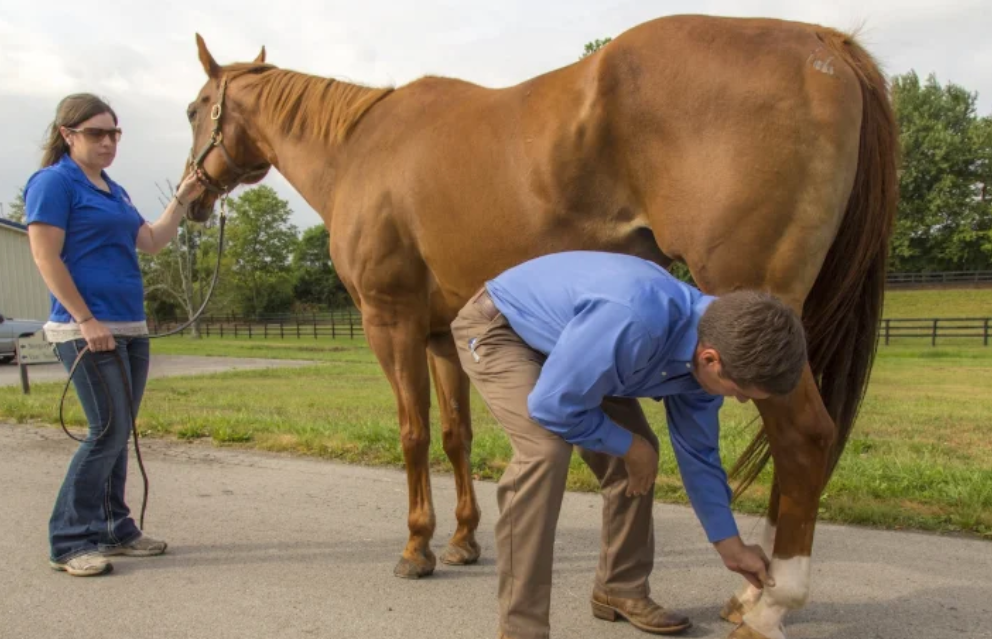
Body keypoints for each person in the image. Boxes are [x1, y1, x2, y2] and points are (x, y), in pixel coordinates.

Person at [450, 251, 808, 639]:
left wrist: (730, 545)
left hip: (583, 345)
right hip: (504, 330)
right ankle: (522, 630)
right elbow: (553, 405)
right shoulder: (636, 320)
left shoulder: (712, 350)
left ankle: (619, 588)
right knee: (546, 451)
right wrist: (630, 446)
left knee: (637, 453)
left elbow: (700, 455)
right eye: (738, 392)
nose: (737, 400)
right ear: (710, 358)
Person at [24, 93, 205, 577]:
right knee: (106, 430)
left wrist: (182, 199)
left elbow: (151, 241)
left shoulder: (112, 189)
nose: (108, 142)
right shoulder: (53, 183)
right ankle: (68, 540)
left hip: (129, 328)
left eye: (114, 133)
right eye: (96, 133)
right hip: (86, 330)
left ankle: (113, 527)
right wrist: (86, 320)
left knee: (118, 431)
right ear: (68, 135)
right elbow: (45, 257)